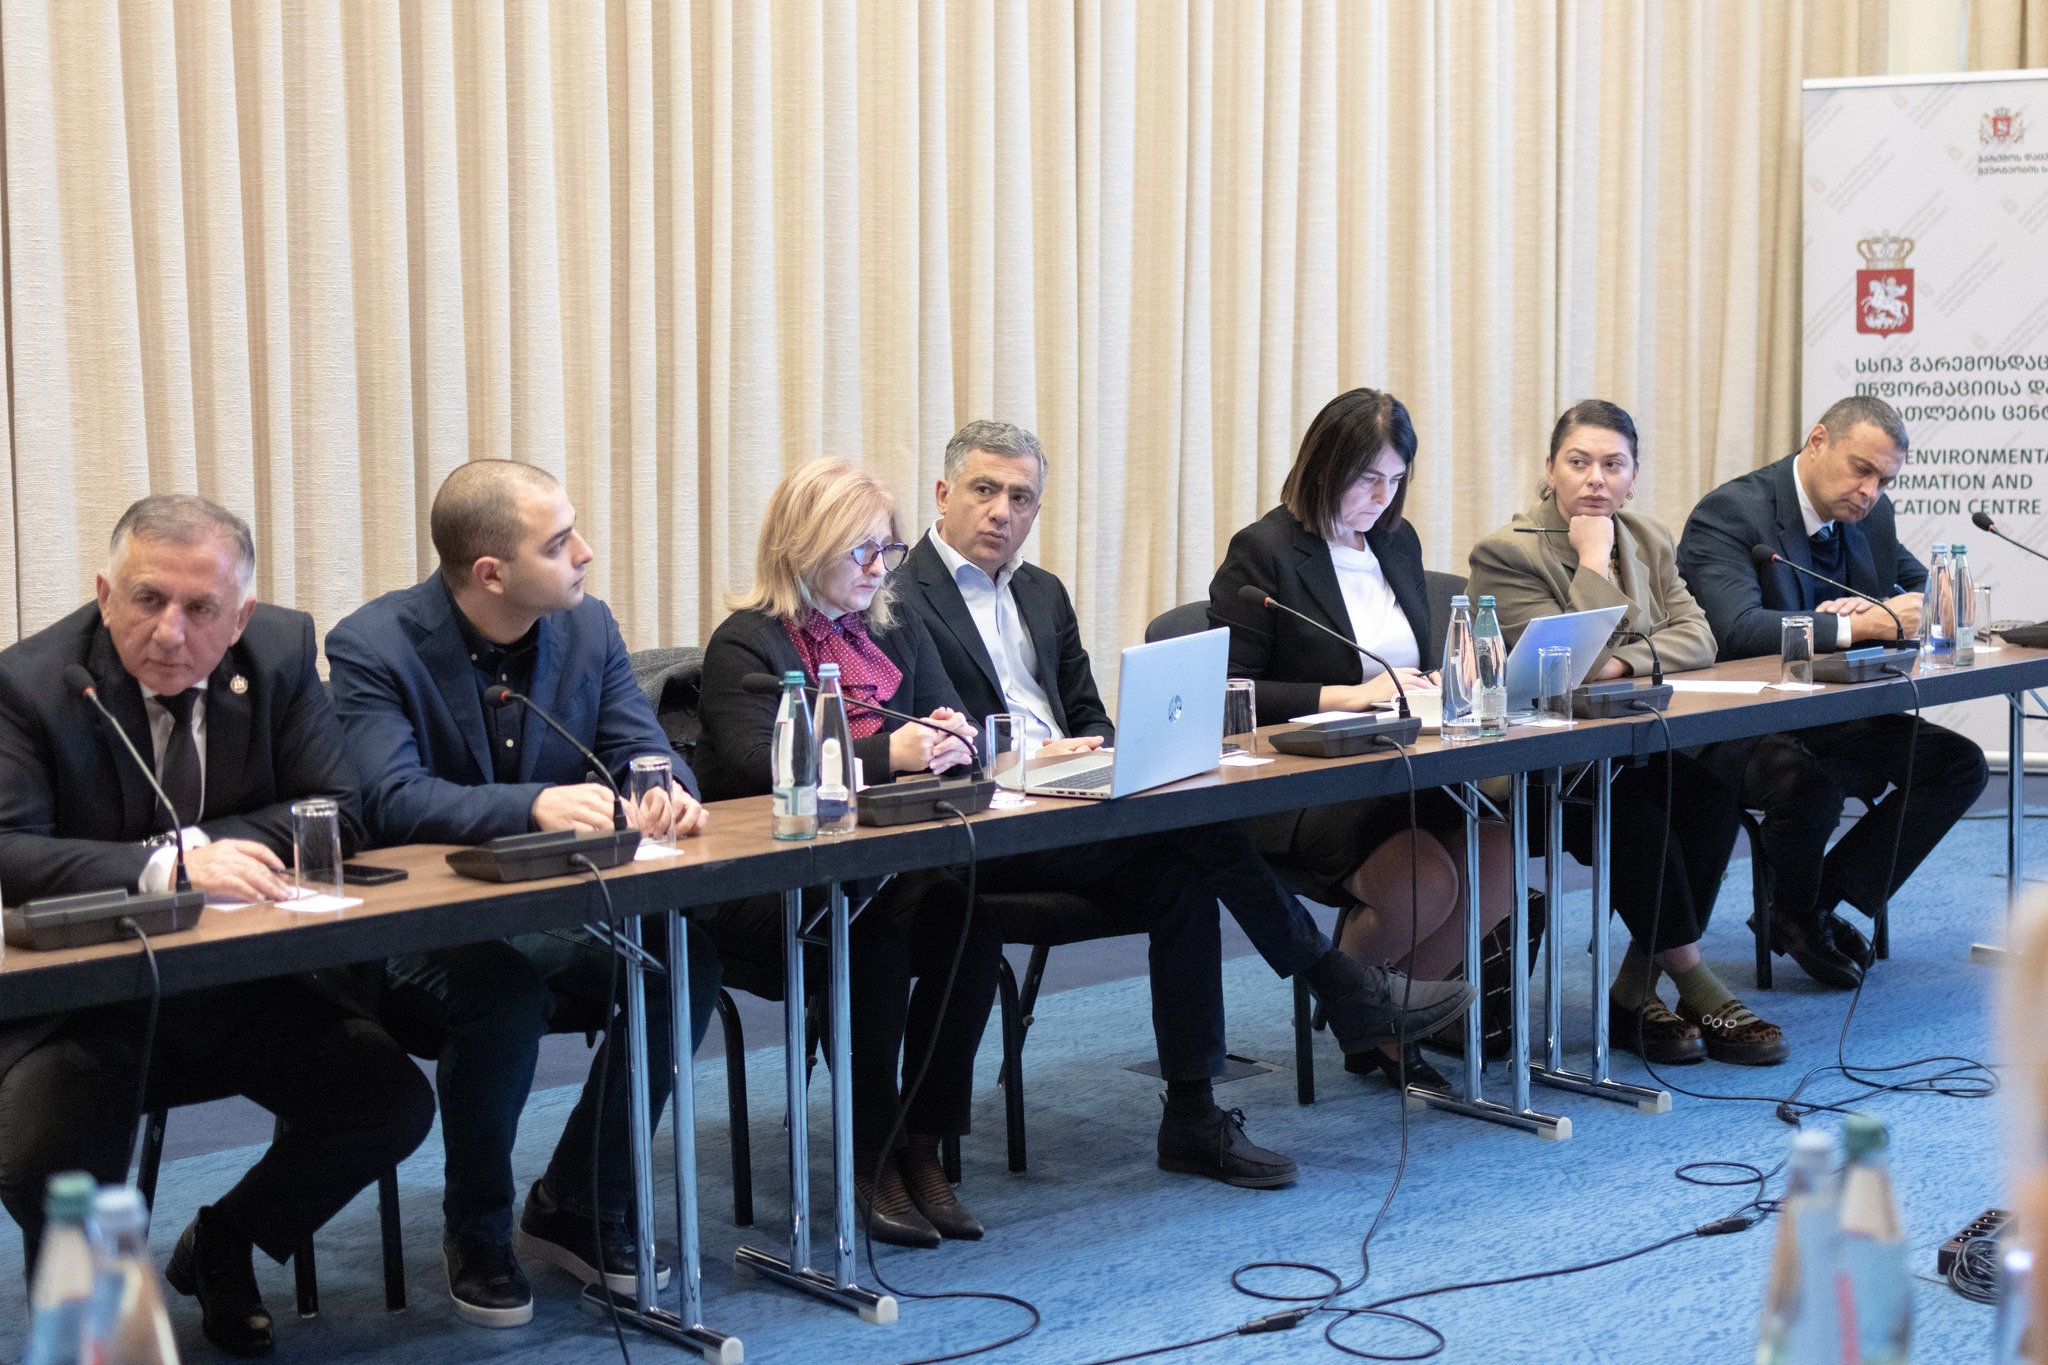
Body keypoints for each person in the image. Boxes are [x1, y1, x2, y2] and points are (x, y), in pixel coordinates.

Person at [892, 420, 1472, 1178]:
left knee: (1185, 865)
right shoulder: (901, 598)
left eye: (1022, 497)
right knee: (1197, 836)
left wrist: (1097, 749)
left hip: (1072, 806)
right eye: (985, 490)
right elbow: (926, 738)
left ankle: (1193, 1118)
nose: (1003, 511)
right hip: (985, 826)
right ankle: (1339, 986)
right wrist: (1026, 759)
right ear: (943, 494)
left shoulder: (1042, 592)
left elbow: (1089, 713)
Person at [0, 495, 434, 1357]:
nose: (170, 631)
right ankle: (95, 1338)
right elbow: (12, 850)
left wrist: (198, 847)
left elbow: (335, 812)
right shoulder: (32, 682)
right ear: (105, 594)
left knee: (386, 1104)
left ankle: (225, 1240)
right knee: (47, 1156)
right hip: (89, 999)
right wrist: (167, 864)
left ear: (239, 617)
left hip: (238, 984)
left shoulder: (280, 651)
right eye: (147, 599)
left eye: (201, 608)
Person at [326, 460, 718, 1328]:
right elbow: (387, 799)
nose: (585, 552)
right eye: (559, 542)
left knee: (680, 959)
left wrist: (664, 787)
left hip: (546, 909)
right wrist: (532, 805)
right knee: (498, 994)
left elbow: (641, 744)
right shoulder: (373, 645)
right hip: (415, 924)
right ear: (490, 572)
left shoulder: (587, 627)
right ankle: (478, 1229)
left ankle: (578, 1198)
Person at [694, 458, 996, 1250]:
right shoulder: (747, 643)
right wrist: (893, 752)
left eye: (886, 548)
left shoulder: (894, 625)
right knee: (873, 928)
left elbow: (947, 720)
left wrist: (950, 740)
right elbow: (761, 764)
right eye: (859, 549)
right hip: (770, 884)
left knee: (971, 917)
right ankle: (871, 1154)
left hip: (882, 866)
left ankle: (923, 1142)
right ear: (803, 546)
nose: (878, 566)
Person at [1207, 389, 1513, 1088]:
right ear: (1324, 466)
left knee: (1498, 854)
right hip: (1303, 782)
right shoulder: (1264, 553)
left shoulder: (1397, 542)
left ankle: (1378, 1020)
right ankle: (1369, 1015)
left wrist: (1436, 681)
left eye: (1395, 479)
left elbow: (1410, 663)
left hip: (1404, 761)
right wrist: (1346, 694)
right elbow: (1228, 692)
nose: (1382, 497)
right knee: (1426, 880)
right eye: (1367, 478)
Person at [1467, 400, 1787, 1066]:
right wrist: (1592, 559)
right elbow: (1561, 670)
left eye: (1613, 465)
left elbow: (1699, 637)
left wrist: (1620, 662)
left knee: (1710, 797)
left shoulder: (1648, 536)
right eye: (1578, 462)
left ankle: (1634, 990)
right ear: (1549, 469)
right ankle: (1697, 985)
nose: (1596, 479)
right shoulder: (1507, 553)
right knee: (1638, 815)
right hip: (1537, 766)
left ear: (1633, 477)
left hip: (1623, 748)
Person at [1676, 394, 1988, 989]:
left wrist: (1919, 604)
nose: (1870, 492)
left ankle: (1808, 905)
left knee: (1958, 765)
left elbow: (1924, 589)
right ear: (1818, 441)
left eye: (1884, 480)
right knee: (1808, 788)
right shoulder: (1732, 514)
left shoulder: (1870, 514)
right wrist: (1859, 626)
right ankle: (1799, 910)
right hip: (1739, 719)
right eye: (1862, 470)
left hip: (1831, 709)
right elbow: (1736, 630)